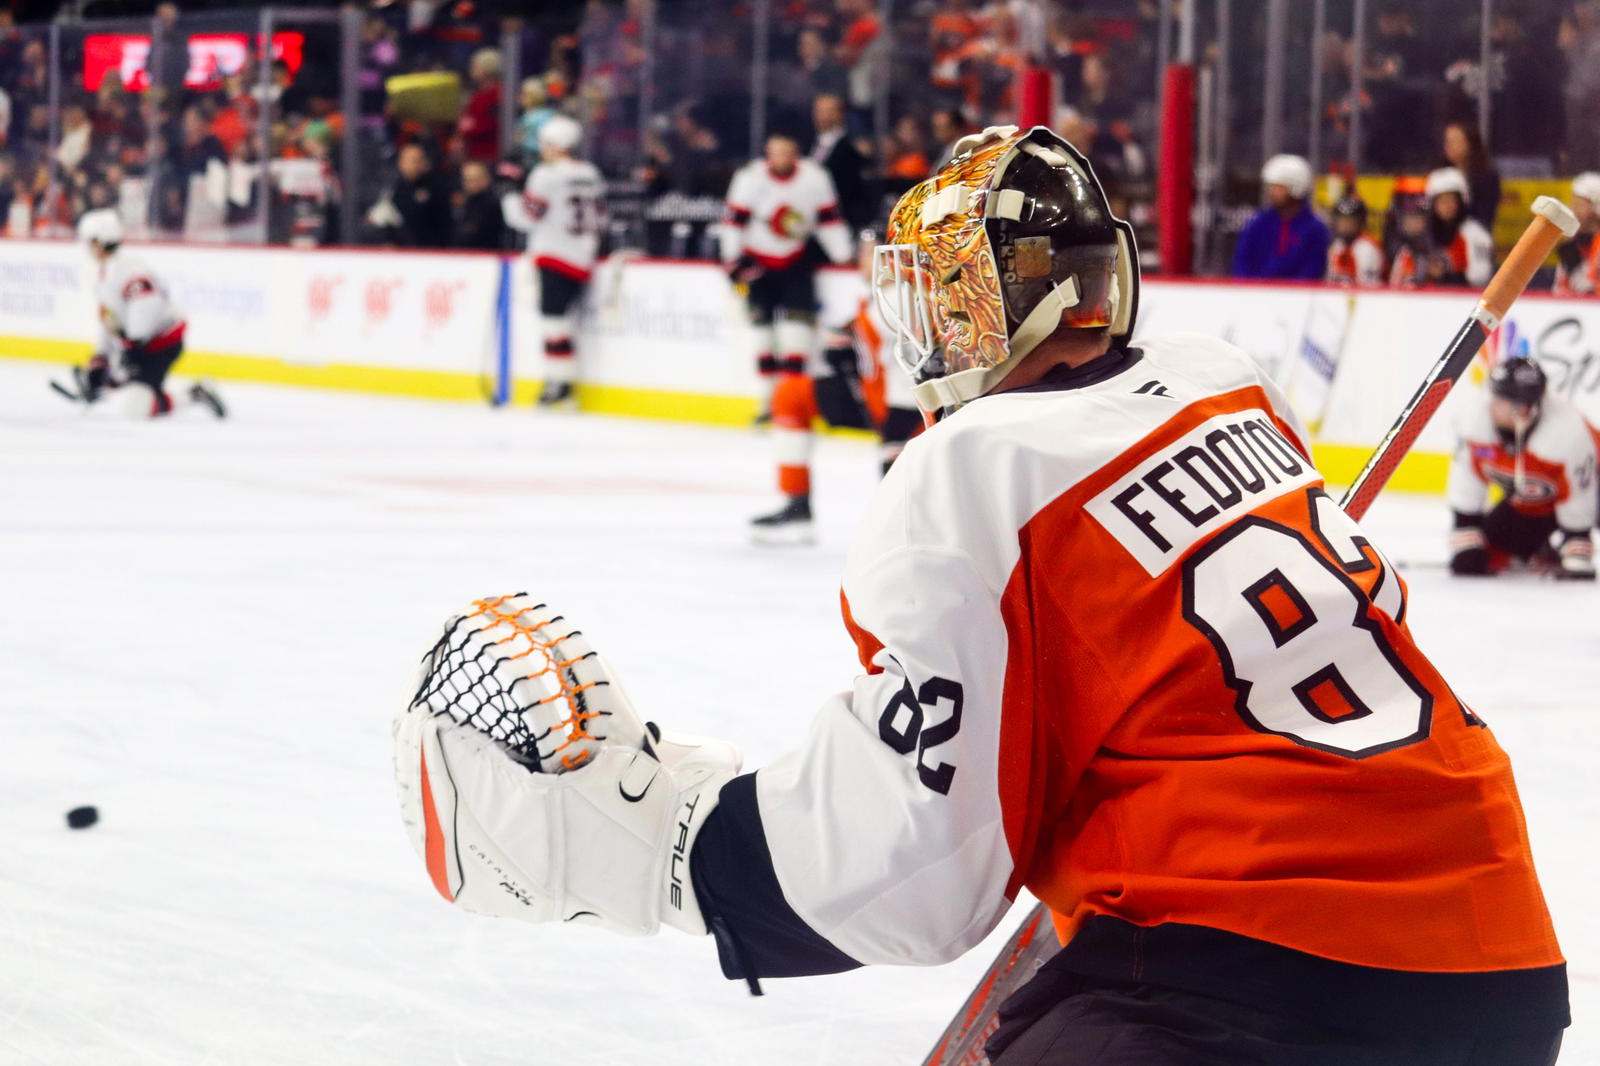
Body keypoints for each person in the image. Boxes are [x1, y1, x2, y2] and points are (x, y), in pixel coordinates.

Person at [393, 126, 1569, 1066]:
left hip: (1253, 983)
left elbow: (922, 866)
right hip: (1503, 960)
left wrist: (682, 850)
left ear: (999, 306)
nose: (925, 333)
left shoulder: (971, 471)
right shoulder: (1221, 381)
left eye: (944, 299)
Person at [754, 237, 923, 544]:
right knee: (792, 395)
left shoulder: (900, 297)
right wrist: (847, 339)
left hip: (906, 411)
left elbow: (926, 355)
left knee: (902, 514)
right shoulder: (882, 295)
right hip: (874, 399)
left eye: (869, 253)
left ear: (890, 257)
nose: (861, 259)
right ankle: (796, 505)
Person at [721, 131, 852, 423]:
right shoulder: (750, 178)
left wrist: (844, 255)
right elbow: (733, 221)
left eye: (787, 152)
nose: (781, 158)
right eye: (775, 152)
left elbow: (828, 218)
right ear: (767, 154)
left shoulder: (814, 177)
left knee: (798, 337)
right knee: (762, 336)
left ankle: (791, 402)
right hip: (757, 264)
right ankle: (767, 401)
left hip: (796, 261)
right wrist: (731, 261)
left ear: (797, 153)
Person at [1449, 356, 1597, 580]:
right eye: (1495, 395)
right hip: (1541, 496)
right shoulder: (1473, 419)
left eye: (1504, 400)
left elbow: (1581, 490)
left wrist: (1577, 544)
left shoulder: (1566, 431)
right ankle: (1540, 548)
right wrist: (1467, 534)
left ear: (1527, 408)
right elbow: (1466, 478)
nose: (1494, 404)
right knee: (1496, 539)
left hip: (1594, 484)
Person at [71, 208, 223, 419]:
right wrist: (101, 357)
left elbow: (144, 311)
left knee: (135, 408)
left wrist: (127, 354)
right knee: (133, 396)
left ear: (100, 240)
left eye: (90, 241)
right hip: (143, 344)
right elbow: (109, 319)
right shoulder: (103, 273)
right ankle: (157, 390)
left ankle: (195, 394)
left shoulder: (130, 270)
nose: (87, 247)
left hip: (162, 343)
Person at [503, 115, 605, 406]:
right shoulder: (591, 173)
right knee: (557, 322)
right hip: (583, 256)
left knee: (553, 323)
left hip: (555, 255)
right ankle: (559, 382)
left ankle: (559, 384)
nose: (542, 149)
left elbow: (525, 218)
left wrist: (508, 193)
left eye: (545, 143)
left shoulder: (545, 175)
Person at [1231, 154, 1331, 280]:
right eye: (1270, 186)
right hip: (1254, 296)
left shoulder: (1315, 229)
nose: (1271, 191)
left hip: (1297, 297)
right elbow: (1242, 266)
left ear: (1296, 188)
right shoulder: (1257, 224)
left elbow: (1311, 272)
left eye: (1278, 187)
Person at [1421, 166, 1494, 287]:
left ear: (1461, 202)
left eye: (1451, 200)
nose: (1447, 205)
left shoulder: (1474, 233)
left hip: (1464, 301)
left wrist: (1444, 276)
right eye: (1442, 200)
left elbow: (1480, 278)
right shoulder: (1426, 232)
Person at [810, 93, 871, 232]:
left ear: (840, 114)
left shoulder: (850, 147)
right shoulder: (809, 143)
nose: (823, 116)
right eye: (819, 110)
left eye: (829, 111)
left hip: (839, 219)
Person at [1441, 119, 1501, 234]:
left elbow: (1484, 217)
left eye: (1455, 141)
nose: (1449, 146)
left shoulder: (1486, 177)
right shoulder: (1440, 174)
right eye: (1447, 141)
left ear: (1470, 143)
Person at [1554, 171, 1600, 295]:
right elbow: (1559, 292)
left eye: (1579, 204)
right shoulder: (1570, 248)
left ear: (1596, 206)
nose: (1574, 209)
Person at [1325, 196, 1384, 285]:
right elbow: (1330, 281)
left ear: (1360, 222)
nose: (1344, 225)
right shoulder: (1336, 246)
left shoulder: (1367, 248)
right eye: (1341, 220)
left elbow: (1368, 287)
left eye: (1349, 220)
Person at [452, 159, 505, 250]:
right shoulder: (460, 201)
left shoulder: (493, 204)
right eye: (467, 179)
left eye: (475, 179)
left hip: (484, 256)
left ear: (487, 179)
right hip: (458, 256)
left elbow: (476, 232)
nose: (470, 183)